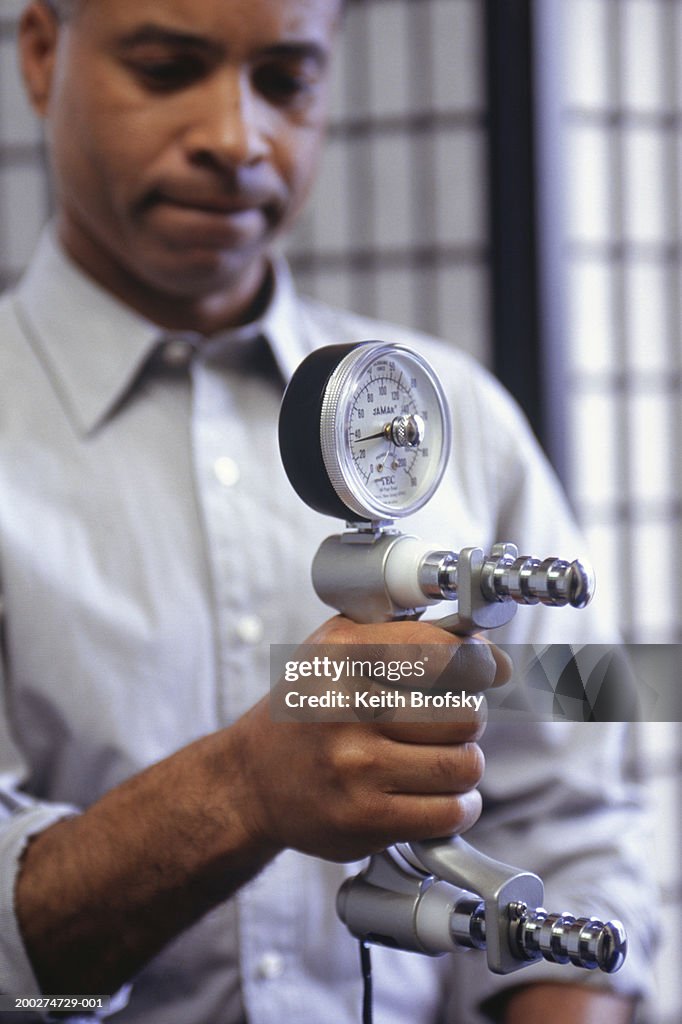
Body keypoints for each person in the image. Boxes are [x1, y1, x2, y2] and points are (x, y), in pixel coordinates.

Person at [0, 0, 654, 1021]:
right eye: (168, 67)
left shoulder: (466, 420)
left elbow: (578, 818)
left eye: (286, 79)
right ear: (41, 55)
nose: (236, 137)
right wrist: (242, 791)